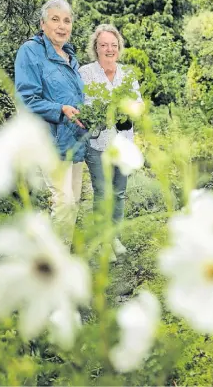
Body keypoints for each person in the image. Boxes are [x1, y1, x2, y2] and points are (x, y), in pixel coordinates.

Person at [14, 0, 86, 242]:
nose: (62, 25)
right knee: (63, 204)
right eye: (55, 19)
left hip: (74, 142)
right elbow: (26, 98)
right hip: (50, 143)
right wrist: (61, 109)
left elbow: (76, 96)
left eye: (67, 20)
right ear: (43, 24)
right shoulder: (31, 51)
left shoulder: (69, 55)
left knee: (72, 203)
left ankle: (60, 257)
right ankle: (56, 266)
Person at [79, 24, 144, 261]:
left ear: (119, 48)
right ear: (96, 47)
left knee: (118, 193)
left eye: (113, 45)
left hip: (122, 144)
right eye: (104, 45)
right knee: (102, 192)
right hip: (98, 144)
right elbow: (81, 105)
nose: (109, 49)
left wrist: (131, 111)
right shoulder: (85, 73)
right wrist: (98, 112)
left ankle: (114, 236)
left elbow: (138, 103)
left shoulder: (127, 74)